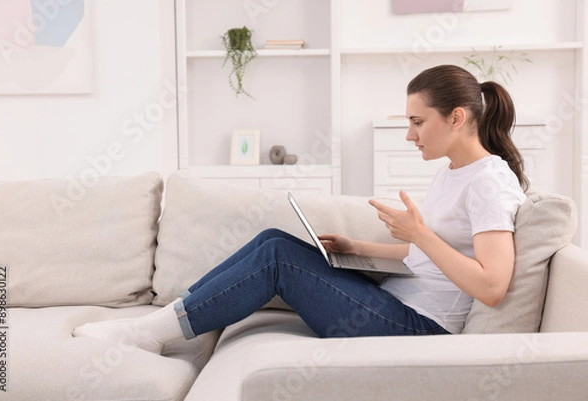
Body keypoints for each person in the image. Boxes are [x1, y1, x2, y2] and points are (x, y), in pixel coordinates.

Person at [72, 65, 527, 353]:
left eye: (417, 122)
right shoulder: (453, 172)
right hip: (396, 304)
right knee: (273, 239)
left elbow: (491, 286)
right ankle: (180, 313)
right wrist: (358, 247)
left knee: (277, 259)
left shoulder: (489, 182)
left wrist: (420, 233)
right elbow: (430, 257)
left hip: (420, 331)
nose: (410, 135)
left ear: (456, 118)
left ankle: (146, 334)